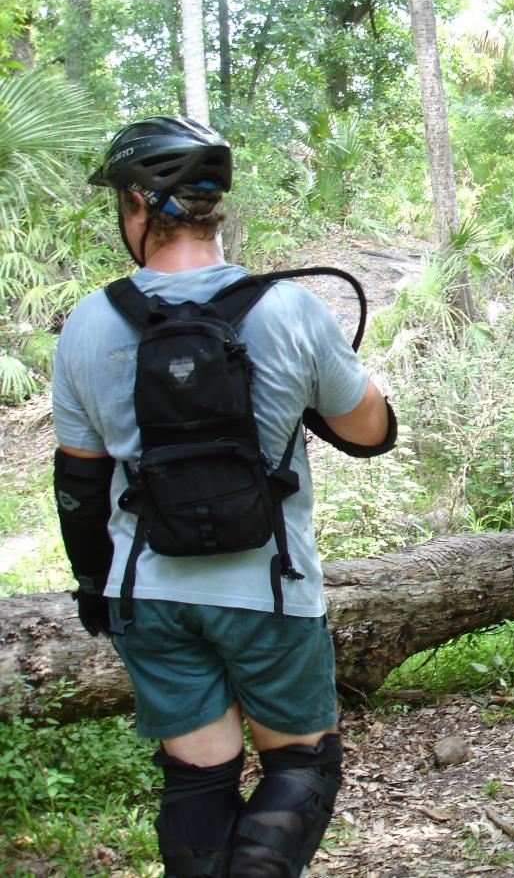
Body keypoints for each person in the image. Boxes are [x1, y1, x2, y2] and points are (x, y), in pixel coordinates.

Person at [51, 116, 395, 877]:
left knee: (197, 777)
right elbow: (371, 433)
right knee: (300, 768)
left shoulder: (86, 324)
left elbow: (77, 482)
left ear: (137, 208)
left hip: (151, 592)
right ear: (215, 208)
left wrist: (94, 584)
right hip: (271, 590)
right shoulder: (292, 310)